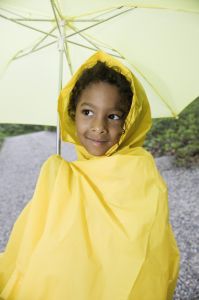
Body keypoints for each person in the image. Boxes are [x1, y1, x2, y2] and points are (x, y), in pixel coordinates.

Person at [0, 51, 180, 300]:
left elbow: (150, 249)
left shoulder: (140, 171)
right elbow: (35, 244)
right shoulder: (58, 174)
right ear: (72, 113)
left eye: (113, 116)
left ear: (129, 121)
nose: (98, 126)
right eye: (87, 112)